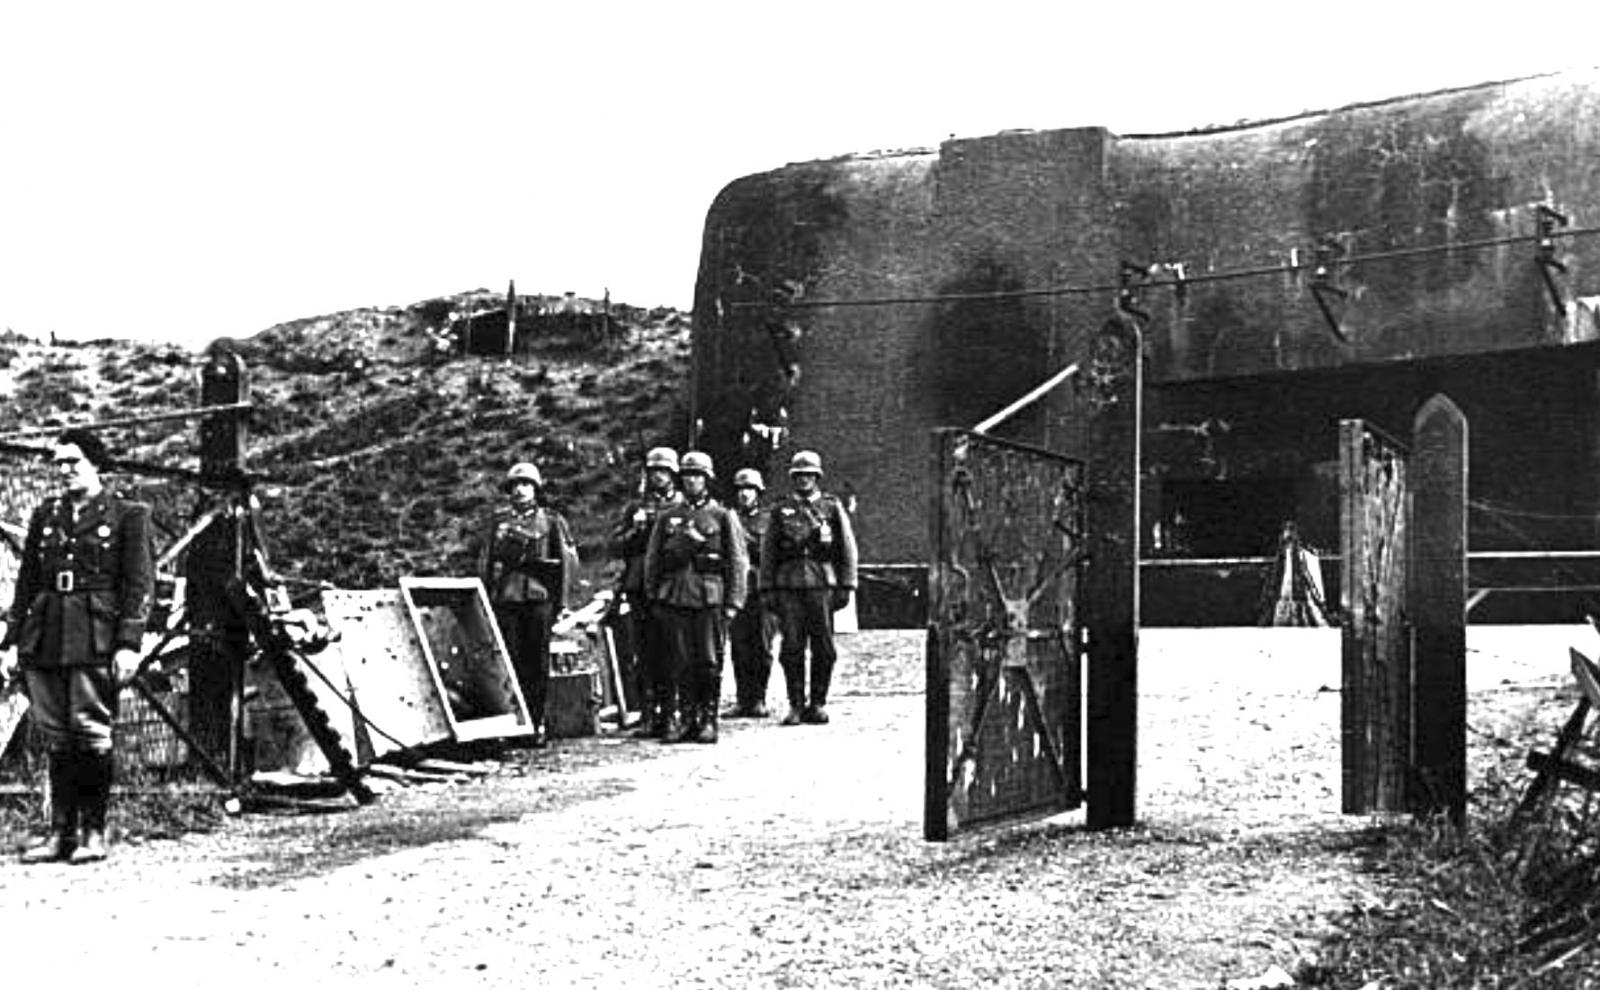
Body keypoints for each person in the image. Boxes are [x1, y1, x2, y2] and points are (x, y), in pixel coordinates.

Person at [0, 429, 155, 863]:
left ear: (96, 464)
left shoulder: (128, 514)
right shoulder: (46, 514)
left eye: (73, 461)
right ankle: (59, 834)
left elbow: (139, 584)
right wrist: (11, 642)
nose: (64, 470)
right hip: (46, 633)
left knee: (90, 732)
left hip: (94, 634)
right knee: (56, 735)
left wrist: (128, 643)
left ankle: (93, 832)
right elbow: (28, 582)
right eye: (59, 463)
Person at [643, 451, 747, 743]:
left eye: (698, 476)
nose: (692, 481)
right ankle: (685, 719)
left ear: (707, 480)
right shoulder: (668, 517)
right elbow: (653, 559)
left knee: (708, 661)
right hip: (674, 595)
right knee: (678, 661)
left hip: (708, 596)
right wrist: (653, 594)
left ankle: (707, 719)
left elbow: (737, 561)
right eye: (687, 476)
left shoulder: (722, 516)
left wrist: (734, 601)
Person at [478, 461, 575, 747]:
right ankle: (513, 723)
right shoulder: (498, 521)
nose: (520, 490)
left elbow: (566, 564)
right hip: (507, 598)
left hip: (538, 598)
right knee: (509, 662)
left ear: (535, 489)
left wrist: (562, 602)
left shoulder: (551, 520)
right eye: (515, 486)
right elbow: (485, 561)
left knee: (536, 663)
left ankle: (536, 722)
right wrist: (484, 597)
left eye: (526, 485)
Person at [760, 450, 858, 726]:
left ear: (817, 477)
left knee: (824, 647)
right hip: (789, 584)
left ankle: (817, 702)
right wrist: (767, 587)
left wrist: (847, 584)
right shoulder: (780, 510)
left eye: (809, 475)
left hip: (821, 583)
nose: (804, 480)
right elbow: (769, 552)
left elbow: (847, 548)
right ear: (793, 478)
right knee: (791, 646)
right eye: (799, 475)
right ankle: (795, 704)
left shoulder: (830, 507)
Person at [608, 446, 682, 738]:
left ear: (673, 474)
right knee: (644, 651)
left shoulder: (681, 505)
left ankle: (672, 713)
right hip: (640, 586)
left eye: (663, 471)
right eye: (654, 471)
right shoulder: (635, 508)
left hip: (670, 584)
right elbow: (616, 545)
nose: (658, 476)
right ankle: (649, 714)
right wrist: (636, 529)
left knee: (672, 651)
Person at [725, 467, 776, 718]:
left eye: (750, 490)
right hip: (737, 590)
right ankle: (742, 699)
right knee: (739, 645)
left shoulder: (769, 520)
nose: (745, 494)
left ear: (758, 493)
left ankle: (758, 698)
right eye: (741, 490)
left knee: (762, 645)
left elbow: (769, 552)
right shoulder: (729, 518)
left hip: (762, 589)